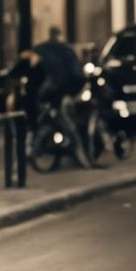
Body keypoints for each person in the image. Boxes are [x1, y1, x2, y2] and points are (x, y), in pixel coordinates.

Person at [30, 27, 90, 168]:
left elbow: (32, 66)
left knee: (44, 114)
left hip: (49, 89)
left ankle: (36, 144)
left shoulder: (41, 48)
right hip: (64, 89)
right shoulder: (67, 50)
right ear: (60, 35)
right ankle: (78, 150)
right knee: (68, 120)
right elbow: (76, 74)